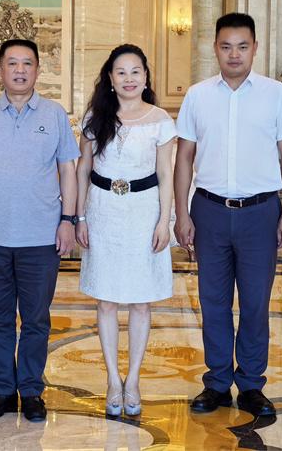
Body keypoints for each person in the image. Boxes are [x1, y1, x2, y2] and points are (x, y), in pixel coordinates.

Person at [173, 12, 282, 417]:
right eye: (226, 46)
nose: (234, 54)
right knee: (212, 301)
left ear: (254, 48)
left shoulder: (276, 94)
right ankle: (215, 383)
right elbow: (183, 158)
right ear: (215, 48)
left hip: (260, 213)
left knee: (255, 303)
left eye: (242, 46)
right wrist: (181, 214)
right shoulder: (197, 96)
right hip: (208, 211)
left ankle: (250, 385)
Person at [0, 38, 80, 423]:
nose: (20, 70)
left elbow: (68, 170)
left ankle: (30, 390)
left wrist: (68, 220)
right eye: (12, 63)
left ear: (38, 70)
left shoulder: (55, 115)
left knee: (36, 320)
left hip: (41, 238)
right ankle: (2, 392)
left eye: (27, 63)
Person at [75, 44, 176, 417]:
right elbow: (83, 170)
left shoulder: (160, 120)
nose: (129, 78)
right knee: (105, 300)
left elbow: (165, 173)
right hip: (102, 211)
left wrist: (165, 221)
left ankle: (133, 380)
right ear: (110, 78)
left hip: (143, 212)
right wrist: (80, 217)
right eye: (121, 72)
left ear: (146, 77)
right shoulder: (95, 118)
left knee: (140, 300)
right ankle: (112, 380)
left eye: (136, 71)